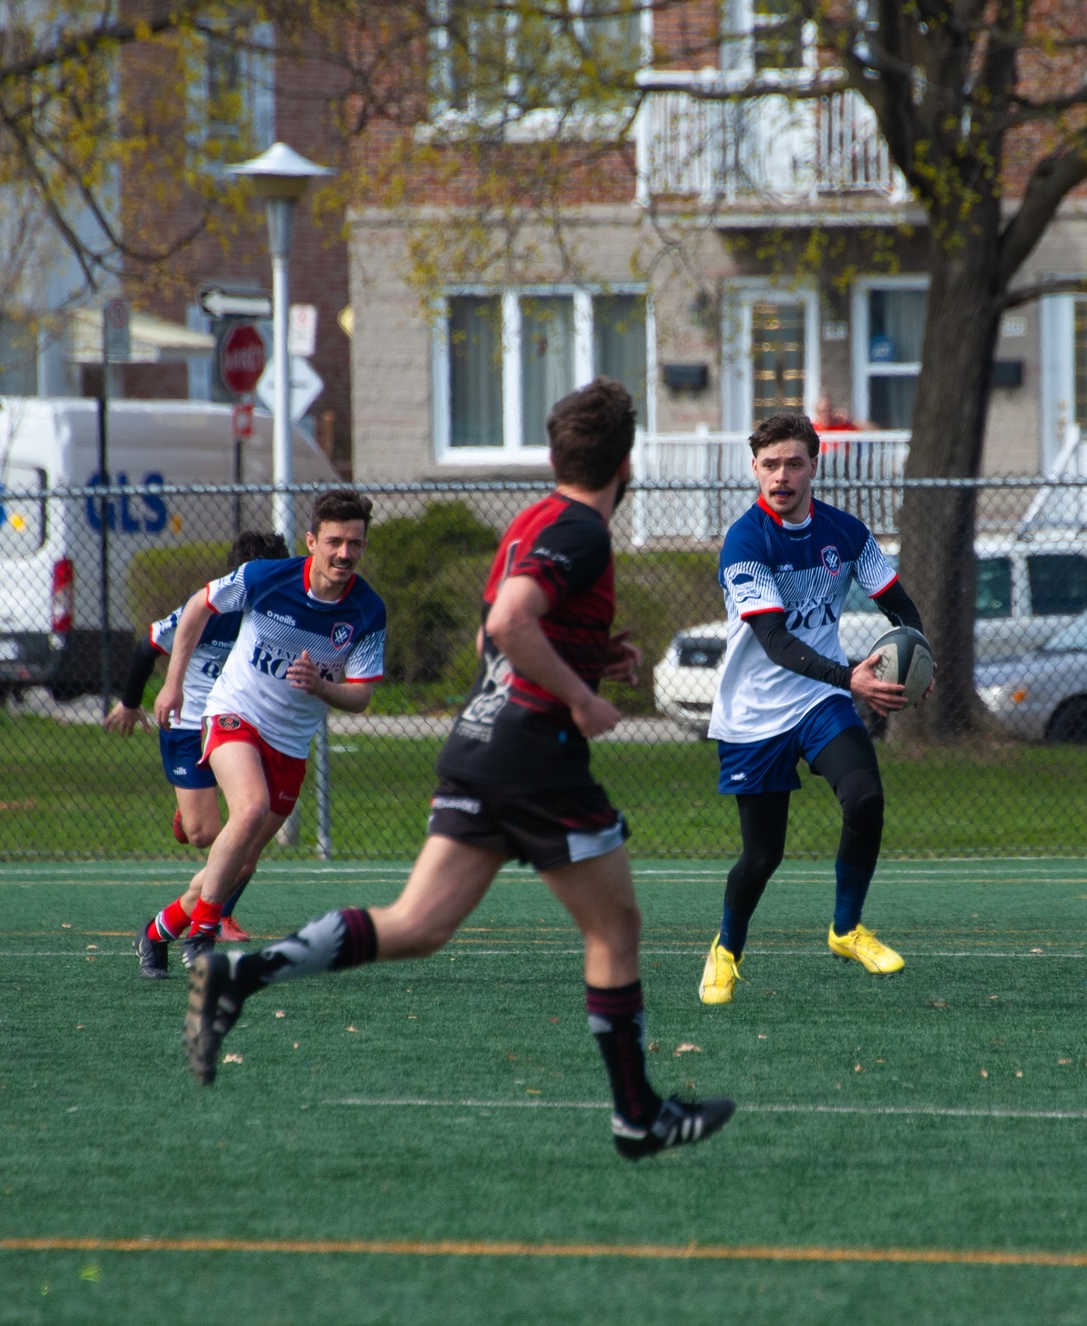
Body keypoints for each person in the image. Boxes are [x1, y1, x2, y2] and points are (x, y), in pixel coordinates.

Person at [182, 379, 734, 1161]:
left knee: (418, 925)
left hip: (478, 741)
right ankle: (638, 1114)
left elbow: (490, 639)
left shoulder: (530, 522)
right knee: (616, 926)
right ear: (626, 464)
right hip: (533, 752)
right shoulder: (582, 530)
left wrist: (588, 655)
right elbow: (508, 623)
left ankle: (240, 976)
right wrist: (581, 696)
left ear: (555, 457)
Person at [696, 411, 924, 1006]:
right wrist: (852, 677)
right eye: (770, 464)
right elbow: (776, 642)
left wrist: (918, 661)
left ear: (813, 467)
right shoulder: (746, 541)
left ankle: (846, 929)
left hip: (819, 700)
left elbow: (901, 608)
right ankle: (726, 949)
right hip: (753, 713)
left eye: (794, 463)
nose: (782, 476)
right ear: (754, 469)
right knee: (763, 855)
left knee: (865, 798)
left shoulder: (845, 532)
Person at [139, 491, 386, 980]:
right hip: (235, 714)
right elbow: (198, 606)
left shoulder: (367, 610)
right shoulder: (264, 578)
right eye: (334, 541)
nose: (344, 553)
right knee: (249, 808)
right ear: (311, 541)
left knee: (241, 863)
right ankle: (202, 936)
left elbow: (360, 696)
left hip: (290, 744)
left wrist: (321, 686)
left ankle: (157, 931)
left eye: (355, 543)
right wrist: (173, 683)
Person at [107, 529, 288, 958]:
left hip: (240, 725)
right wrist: (130, 703)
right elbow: (148, 645)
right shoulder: (210, 607)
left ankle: (218, 914)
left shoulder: (281, 614)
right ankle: (188, 817)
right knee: (206, 834)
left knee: (246, 834)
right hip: (189, 726)